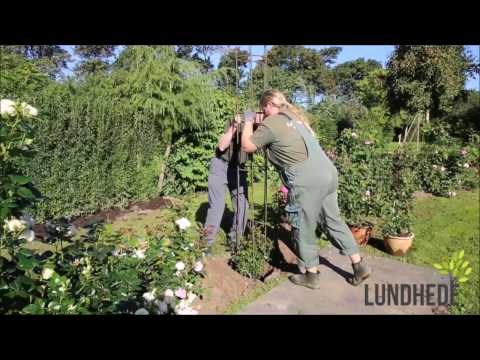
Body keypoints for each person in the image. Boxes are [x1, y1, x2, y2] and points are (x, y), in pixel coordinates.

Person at [241, 89, 371, 288]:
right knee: (333, 220)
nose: (262, 112)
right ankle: (359, 265)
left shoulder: (272, 122)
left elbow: (248, 146)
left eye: (262, 109)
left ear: (268, 105)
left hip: (307, 180)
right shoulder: (294, 117)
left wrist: (248, 121)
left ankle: (311, 275)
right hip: (327, 173)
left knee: (303, 226)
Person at [203, 114, 249, 253]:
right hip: (220, 165)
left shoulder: (262, 127)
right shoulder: (235, 121)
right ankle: (206, 244)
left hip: (238, 169)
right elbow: (222, 146)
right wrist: (234, 127)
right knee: (217, 206)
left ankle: (236, 240)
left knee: (243, 205)